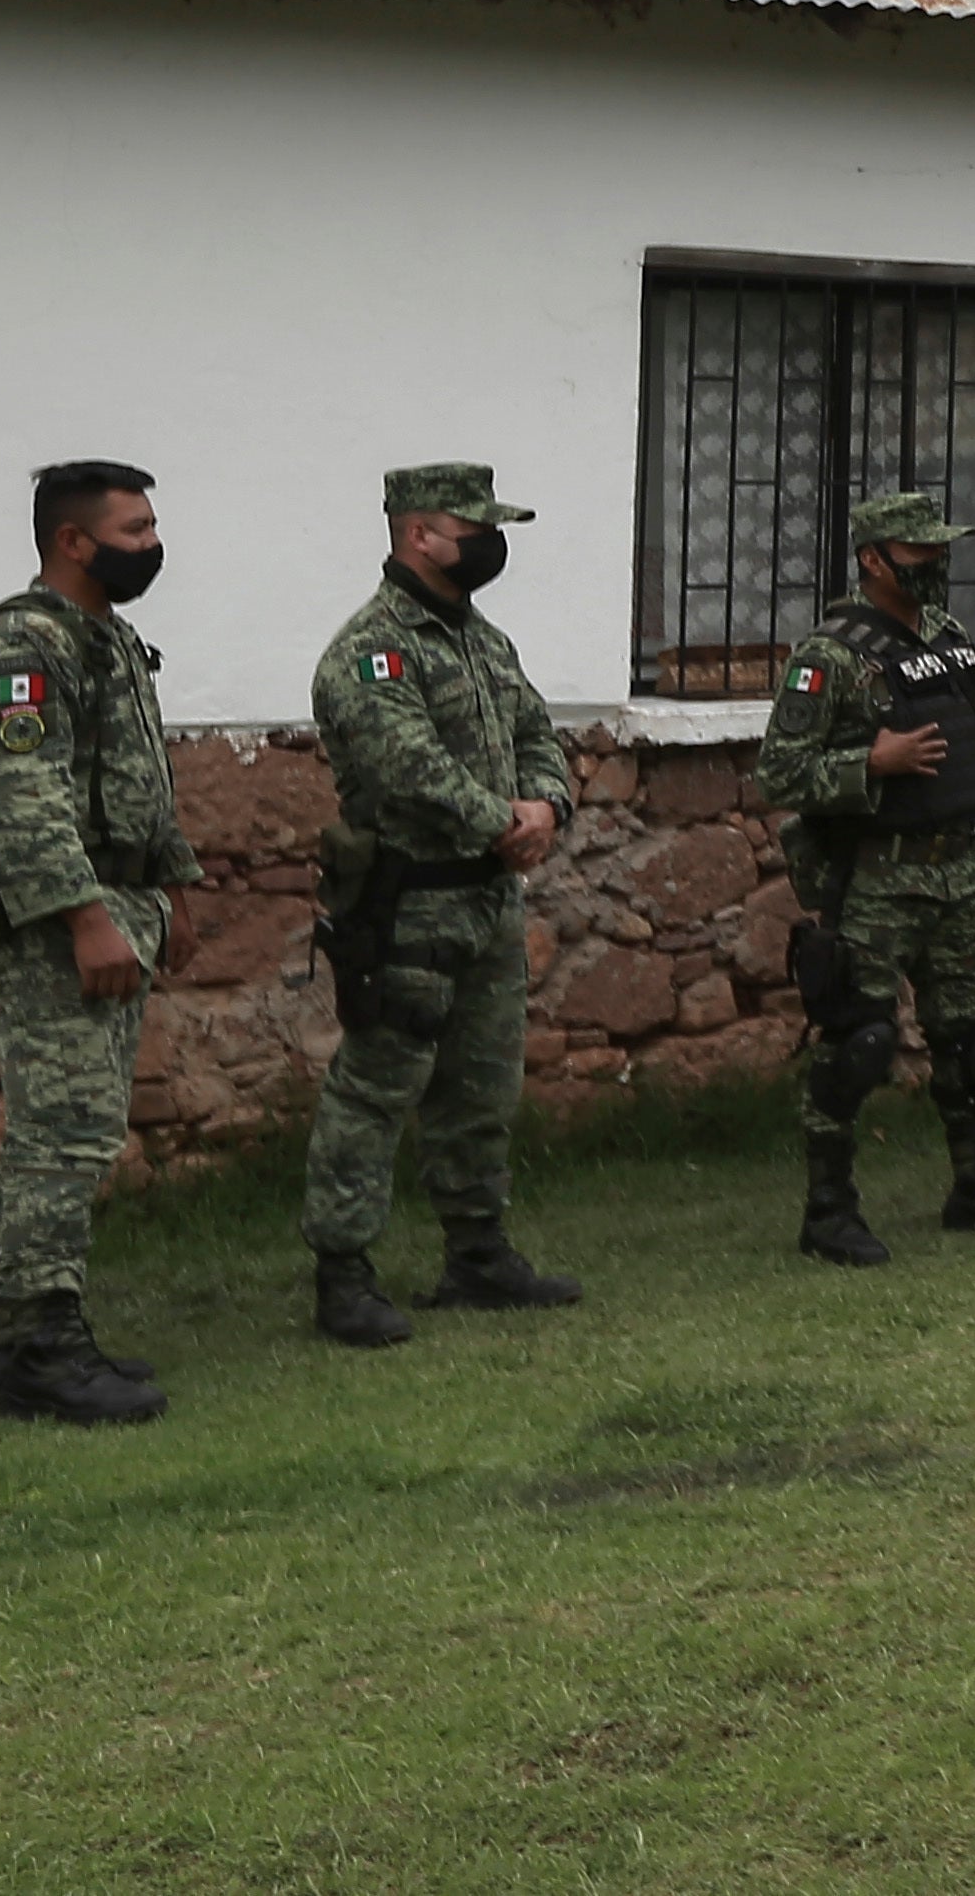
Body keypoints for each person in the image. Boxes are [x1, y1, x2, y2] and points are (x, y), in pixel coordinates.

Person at [301, 460, 582, 1347]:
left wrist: (548, 805)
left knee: (483, 1088)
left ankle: (478, 1254)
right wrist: (504, 821)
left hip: (488, 902)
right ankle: (343, 1274)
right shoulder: (370, 650)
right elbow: (406, 765)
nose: (492, 545)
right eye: (476, 529)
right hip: (408, 903)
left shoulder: (484, 641)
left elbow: (538, 731)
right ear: (420, 533)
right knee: (376, 1090)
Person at [753, 489, 975, 1263]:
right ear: (873, 559)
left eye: (939, 551)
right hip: (879, 881)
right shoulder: (830, 655)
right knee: (858, 1042)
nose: (936, 565)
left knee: (971, 1038)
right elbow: (779, 771)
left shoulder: (948, 638)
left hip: (962, 869)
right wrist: (871, 763)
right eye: (920, 553)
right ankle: (828, 1211)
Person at [0, 459, 199, 1425]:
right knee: (67, 1138)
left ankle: (7, 1340)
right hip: (64, 924)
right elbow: (24, 797)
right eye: (134, 530)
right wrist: (88, 917)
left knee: (59, 1136)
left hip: (123, 901)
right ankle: (45, 1354)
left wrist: (177, 886)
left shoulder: (109, 637)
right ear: (73, 540)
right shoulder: (24, 643)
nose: (152, 546)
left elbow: (135, 775)